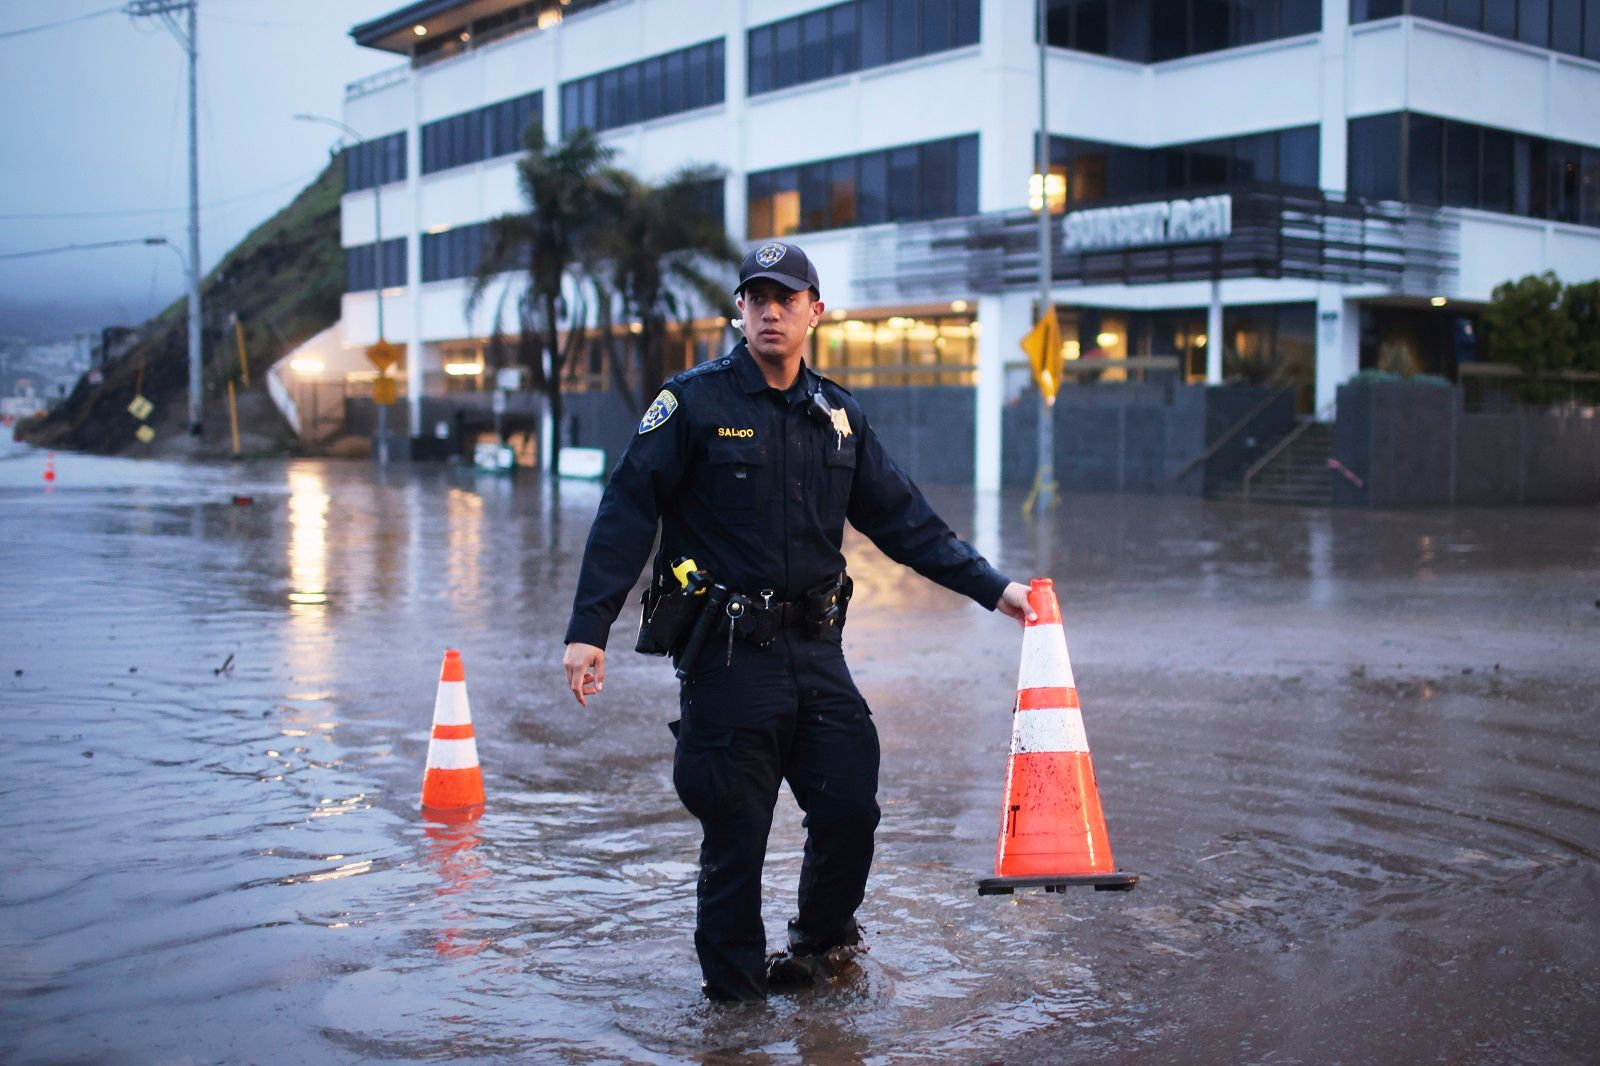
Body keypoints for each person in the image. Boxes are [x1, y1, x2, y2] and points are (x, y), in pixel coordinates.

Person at [562, 240, 1034, 1003]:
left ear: (816, 311)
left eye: (786, 298)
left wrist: (994, 588)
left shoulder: (838, 416)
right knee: (736, 837)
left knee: (850, 804)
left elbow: (905, 521)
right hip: (726, 660)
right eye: (757, 297)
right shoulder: (692, 405)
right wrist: (589, 629)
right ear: (739, 310)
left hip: (816, 653)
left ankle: (817, 951)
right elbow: (626, 512)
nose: (771, 311)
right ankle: (735, 1016)